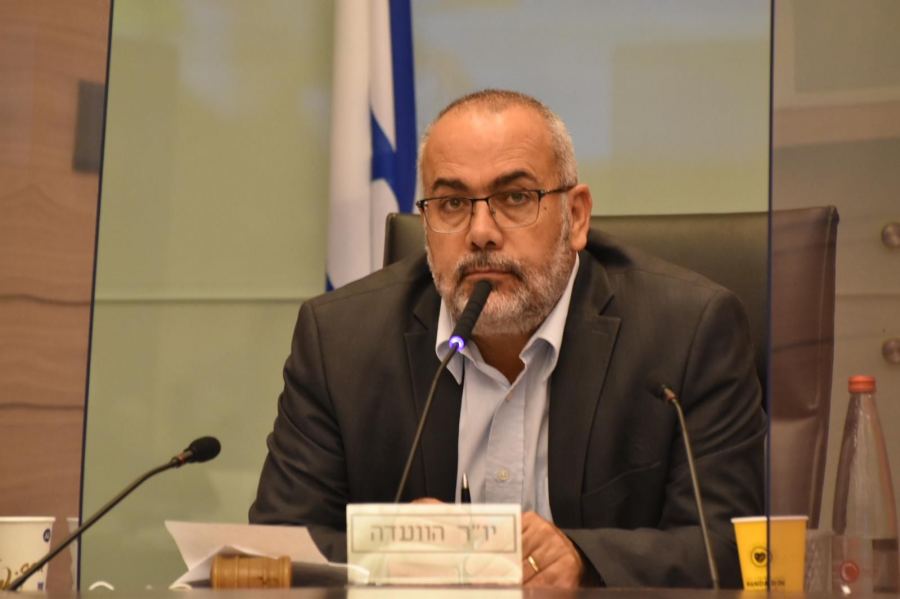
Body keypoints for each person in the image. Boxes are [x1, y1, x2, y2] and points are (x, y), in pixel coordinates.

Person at [250, 89, 765, 588]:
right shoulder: (340, 340)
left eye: (515, 197)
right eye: (452, 203)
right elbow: (277, 548)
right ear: (426, 223)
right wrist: (389, 553)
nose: (481, 232)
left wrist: (583, 560)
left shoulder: (688, 332)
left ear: (576, 216)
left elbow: (731, 548)